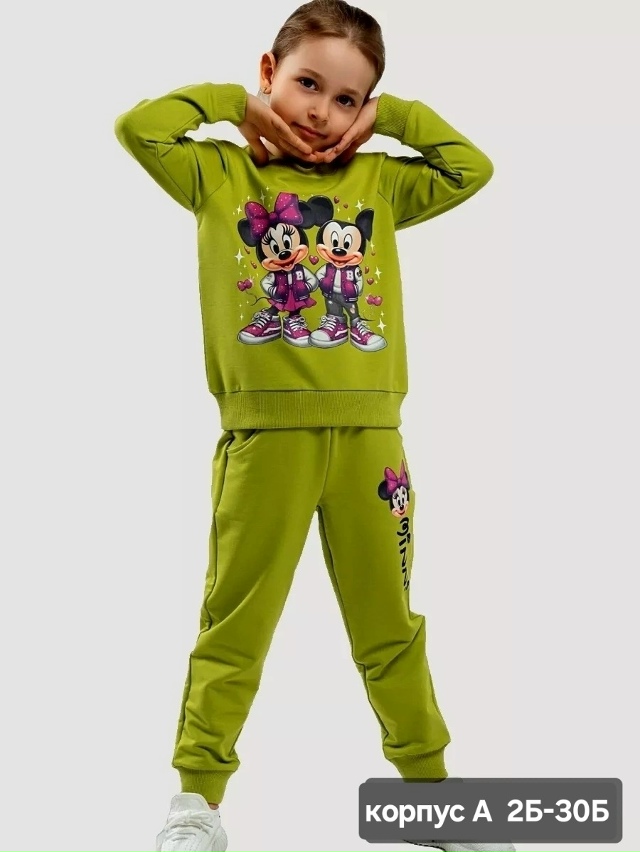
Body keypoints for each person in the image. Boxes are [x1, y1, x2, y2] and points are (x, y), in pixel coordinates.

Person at [114, 2, 509, 850]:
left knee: (389, 627)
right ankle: (196, 803)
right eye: (306, 84)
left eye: (346, 98)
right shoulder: (219, 174)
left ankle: (433, 799)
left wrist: (387, 121)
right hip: (265, 446)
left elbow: (469, 166)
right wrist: (235, 106)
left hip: (372, 446)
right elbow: (140, 128)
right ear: (269, 74)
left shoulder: (380, 185)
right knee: (236, 624)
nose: (321, 111)